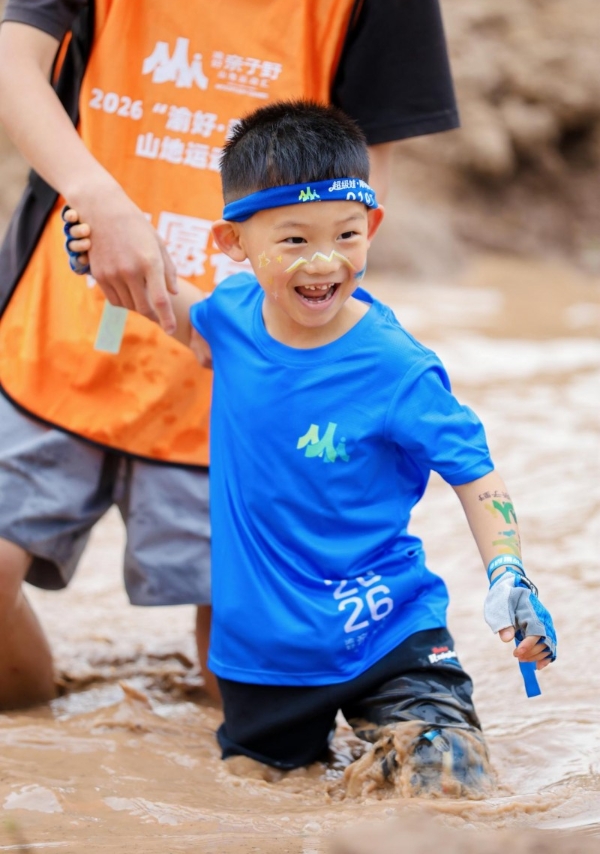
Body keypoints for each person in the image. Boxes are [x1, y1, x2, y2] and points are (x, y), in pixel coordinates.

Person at [0, 0, 462, 709]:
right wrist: (96, 197)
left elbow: (360, 183)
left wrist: (295, 335)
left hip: (241, 364)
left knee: (247, 696)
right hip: (58, 324)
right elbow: (15, 64)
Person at [64, 101, 557, 795]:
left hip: (391, 634)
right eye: (293, 241)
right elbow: (171, 312)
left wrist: (510, 576)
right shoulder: (231, 318)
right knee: (258, 799)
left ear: (373, 227)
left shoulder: (397, 368)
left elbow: (476, 475)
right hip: (261, 656)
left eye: (346, 236)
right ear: (234, 244)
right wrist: (100, 259)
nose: (325, 262)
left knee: (449, 778)